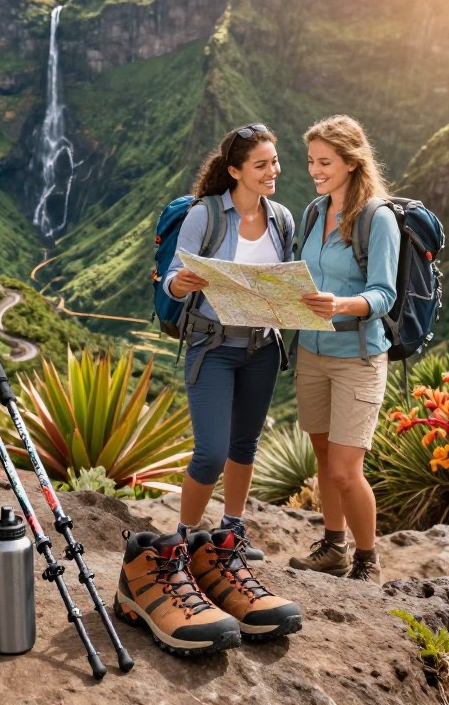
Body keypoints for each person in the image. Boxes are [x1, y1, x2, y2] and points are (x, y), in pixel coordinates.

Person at [138, 122, 301, 643]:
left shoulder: (281, 219)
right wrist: (179, 283)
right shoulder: (203, 216)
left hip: (262, 347)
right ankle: (184, 539)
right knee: (209, 453)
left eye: (275, 162)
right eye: (262, 164)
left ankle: (231, 529)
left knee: (244, 445)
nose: (273, 171)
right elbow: (172, 277)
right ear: (235, 171)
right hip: (214, 346)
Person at [289, 114, 399, 584]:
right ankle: (333, 546)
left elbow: (384, 294)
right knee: (322, 457)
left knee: (345, 469)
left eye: (325, 162)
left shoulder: (379, 218)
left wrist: (343, 304)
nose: (315, 170)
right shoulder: (315, 212)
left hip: (358, 357)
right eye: (312, 161)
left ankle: (367, 561)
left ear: (352, 162)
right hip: (311, 353)